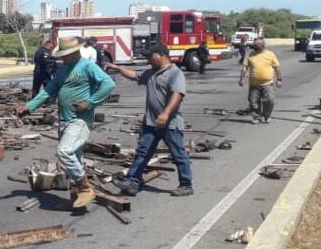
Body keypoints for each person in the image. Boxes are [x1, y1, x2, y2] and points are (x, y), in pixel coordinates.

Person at [16, 37, 115, 208]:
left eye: (65, 55)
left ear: (75, 52)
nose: (62, 58)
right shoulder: (62, 70)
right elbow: (48, 91)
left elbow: (108, 84)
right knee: (75, 157)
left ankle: (85, 189)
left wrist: (90, 102)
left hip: (79, 120)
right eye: (61, 55)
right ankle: (76, 197)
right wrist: (29, 106)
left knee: (64, 152)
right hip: (64, 119)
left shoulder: (87, 66)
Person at [105, 43, 194, 197]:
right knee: (143, 152)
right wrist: (118, 68)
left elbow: (178, 94)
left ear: (161, 55)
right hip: (151, 122)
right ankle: (132, 182)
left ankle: (186, 185)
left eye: (150, 56)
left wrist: (165, 114)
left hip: (170, 123)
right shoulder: (152, 73)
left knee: (178, 153)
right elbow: (135, 75)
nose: (147, 60)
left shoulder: (175, 73)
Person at [239, 38, 282, 123]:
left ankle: (266, 116)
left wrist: (279, 79)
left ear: (262, 46)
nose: (254, 46)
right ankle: (256, 117)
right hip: (253, 84)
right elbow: (244, 68)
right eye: (254, 44)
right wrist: (242, 79)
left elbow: (277, 67)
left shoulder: (270, 54)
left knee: (269, 100)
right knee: (253, 102)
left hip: (267, 83)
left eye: (256, 45)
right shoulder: (250, 55)